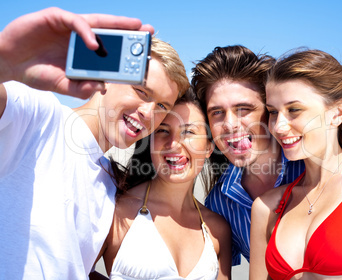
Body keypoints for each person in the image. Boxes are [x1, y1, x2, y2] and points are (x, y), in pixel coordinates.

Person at [0, 7, 189, 279]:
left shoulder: (112, 185)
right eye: (140, 90)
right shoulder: (39, 117)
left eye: (161, 105)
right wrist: (5, 60)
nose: (149, 113)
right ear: (107, 77)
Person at [250, 48, 342, 280]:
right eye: (273, 112)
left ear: (337, 113)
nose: (278, 126)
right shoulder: (266, 207)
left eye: (294, 110)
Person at [91, 89, 232, 279]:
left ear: (209, 147)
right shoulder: (116, 212)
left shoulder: (217, 228)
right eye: (163, 130)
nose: (173, 143)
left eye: (188, 131)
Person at [191, 45, 305, 266]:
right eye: (217, 112)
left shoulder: (314, 169)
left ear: (270, 112)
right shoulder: (218, 204)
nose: (230, 125)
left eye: (243, 109)